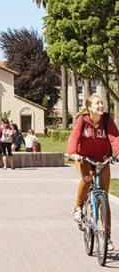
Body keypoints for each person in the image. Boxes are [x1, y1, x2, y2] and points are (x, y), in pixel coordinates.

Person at [67, 94, 119, 250]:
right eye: (97, 103)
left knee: (104, 195)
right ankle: (78, 207)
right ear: (89, 108)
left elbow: (115, 138)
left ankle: (107, 237)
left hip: (102, 159)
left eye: (102, 103)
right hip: (84, 158)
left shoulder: (107, 120)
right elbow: (73, 138)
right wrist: (73, 153)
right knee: (88, 178)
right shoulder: (82, 120)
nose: (101, 105)